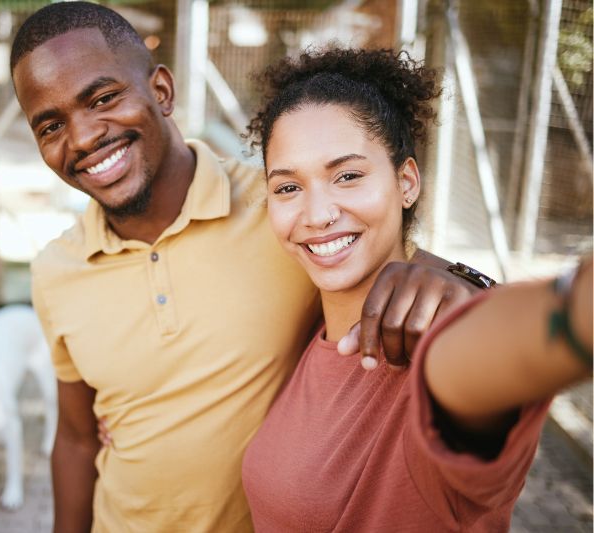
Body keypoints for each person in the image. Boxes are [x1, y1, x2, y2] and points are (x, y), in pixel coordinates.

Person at [10, 4, 479, 531]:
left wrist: (454, 275)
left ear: (161, 91)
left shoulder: (280, 209)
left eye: (103, 98)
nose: (83, 137)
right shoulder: (56, 271)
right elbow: (75, 439)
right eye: (50, 126)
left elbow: (392, 257)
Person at [241, 47, 592, 531]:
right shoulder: (309, 324)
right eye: (287, 187)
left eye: (347, 175)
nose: (317, 214)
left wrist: (570, 313)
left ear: (406, 182)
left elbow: (490, 353)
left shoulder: (438, 342)